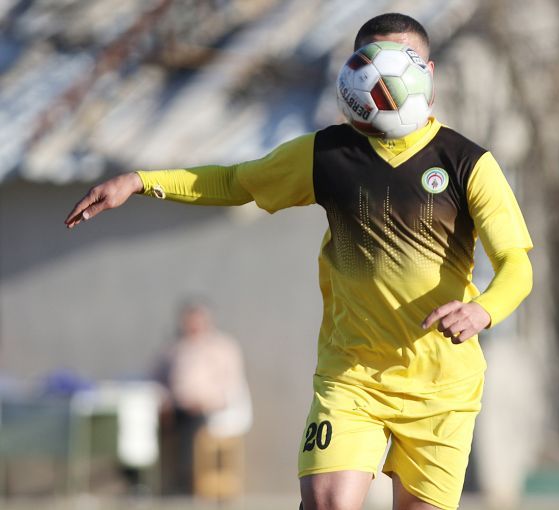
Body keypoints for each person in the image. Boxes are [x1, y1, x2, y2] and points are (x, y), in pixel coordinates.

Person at [65, 13, 533, 510]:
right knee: (327, 500)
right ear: (355, 72)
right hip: (352, 376)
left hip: (442, 387)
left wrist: (483, 310)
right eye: (373, 63)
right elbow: (235, 182)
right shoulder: (327, 155)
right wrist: (141, 181)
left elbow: (516, 265)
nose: (386, 78)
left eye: (401, 61)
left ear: (427, 73)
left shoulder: (467, 163)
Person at [155, 300, 251, 495]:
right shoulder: (175, 349)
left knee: (191, 425)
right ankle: (142, 481)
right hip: (176, 407)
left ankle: (187, 483)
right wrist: (165, 399)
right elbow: (158, 379)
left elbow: (231, 385)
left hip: (208, 409)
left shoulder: (222, 348)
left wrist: (205, 402)